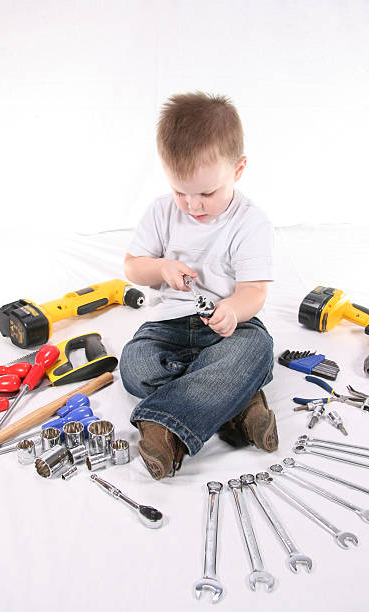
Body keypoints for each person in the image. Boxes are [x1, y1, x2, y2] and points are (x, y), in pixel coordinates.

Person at [119, 91, 277, 480]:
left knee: (257, 347)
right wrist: (160, 267)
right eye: (180, 192)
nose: (192, 205)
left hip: (226, 327)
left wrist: (233, 311)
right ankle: (238, 401)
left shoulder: (251, 222)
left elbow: (254, 291)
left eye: (207, 193)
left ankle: (164, 424)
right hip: (167, 329)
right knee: (133, 366)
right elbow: (132, 267)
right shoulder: (160, 211)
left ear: (238, 170)